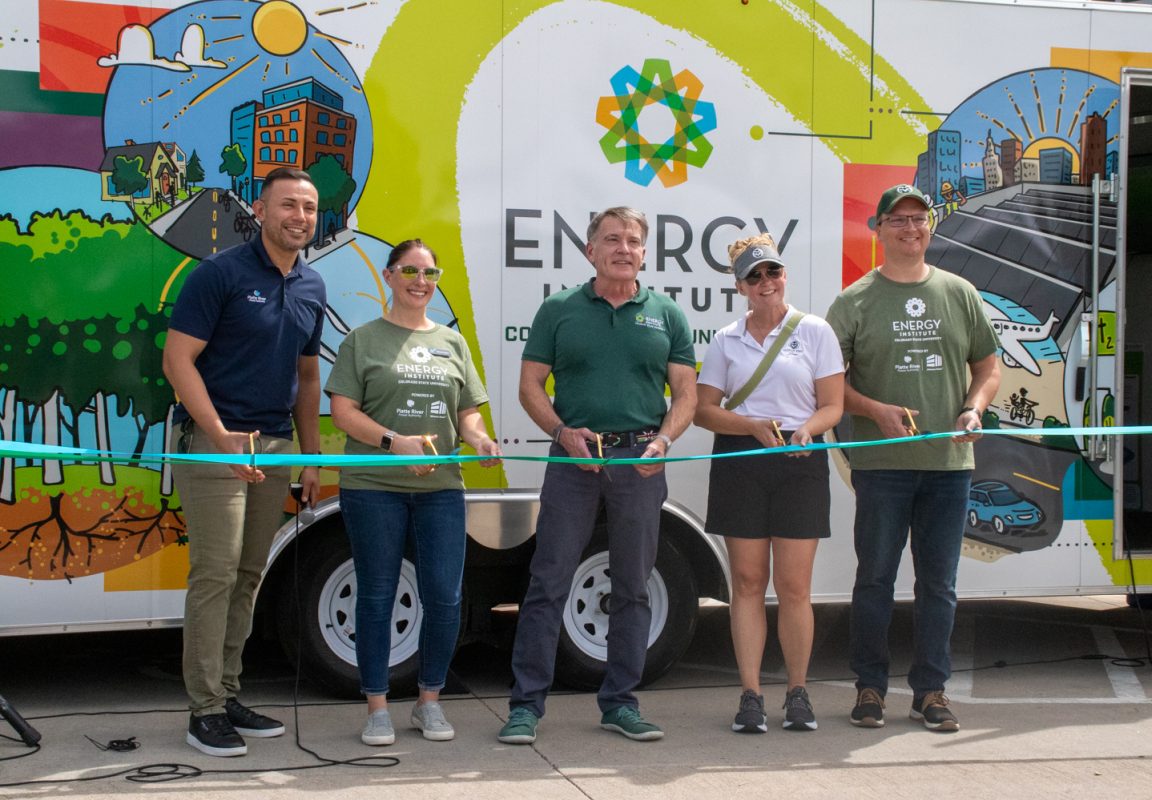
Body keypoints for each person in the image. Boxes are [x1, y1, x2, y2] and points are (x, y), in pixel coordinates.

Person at [497, 206, 697, 745]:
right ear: (590, 250)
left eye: (633, 240)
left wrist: (664, 439)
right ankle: (525, 707)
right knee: (548, 581)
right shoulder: (559, 309)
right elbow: (530, 387)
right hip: (572, 460)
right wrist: (563, 432)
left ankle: (621, 703)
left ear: (644, 252)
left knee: (633, 587)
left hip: (640, 461)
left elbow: (687, 396)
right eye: (612, 239)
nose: (624, 248)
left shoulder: (667, 314)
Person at [163, 166, 326, 757]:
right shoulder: (220, 274)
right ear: (260, 210)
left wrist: (308, 456)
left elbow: (308, 378)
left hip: (278, 445)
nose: (299, 217)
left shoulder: (312, 286)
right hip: (215, 443)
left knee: (250, 573)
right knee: (215, 573)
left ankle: (228, 693)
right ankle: (203, 710)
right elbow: (177, 361)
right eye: (288, 205)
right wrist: (220, 435)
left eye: (308, 208)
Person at [825, 184, 1000, 733]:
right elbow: (828, 387)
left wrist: (973, 410)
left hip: (949, 467)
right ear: (877, 229)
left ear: (930, 228)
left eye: (919, 219)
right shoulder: (853, 301)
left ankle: (931, 691)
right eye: (898, 220)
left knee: (939, 586)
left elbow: (989, 367)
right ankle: (870, 688)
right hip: (882, 468)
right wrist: (874, 410)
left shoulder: (960, 293)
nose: (910, 228)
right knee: (875, 580)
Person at [325, 239, 502, 745]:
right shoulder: (362, 340)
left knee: (444, 598)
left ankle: (430, 701)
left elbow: (466, 412)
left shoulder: (452, 342)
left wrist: (479, 438)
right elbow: (344, 414)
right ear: (389, 275)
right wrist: (393, 442)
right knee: (378, 596)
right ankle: (377, 707)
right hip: (373, 486)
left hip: (441, 488)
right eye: (410, 270)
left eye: (430, 273)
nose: (421, 281)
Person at [694, 234, 844, 734]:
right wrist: (753, 426)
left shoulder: (817, 331)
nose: (765, 283)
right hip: (742, 460)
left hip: (800, 461)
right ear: (739, 286)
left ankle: (798, 694)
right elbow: (704, 411)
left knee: (795, 587)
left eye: (772, 272)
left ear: (785, 276)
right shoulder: (725, 339)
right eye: (754, 276)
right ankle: (751, 696)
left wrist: (809, 429)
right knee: (747, 584)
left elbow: (832, 406)